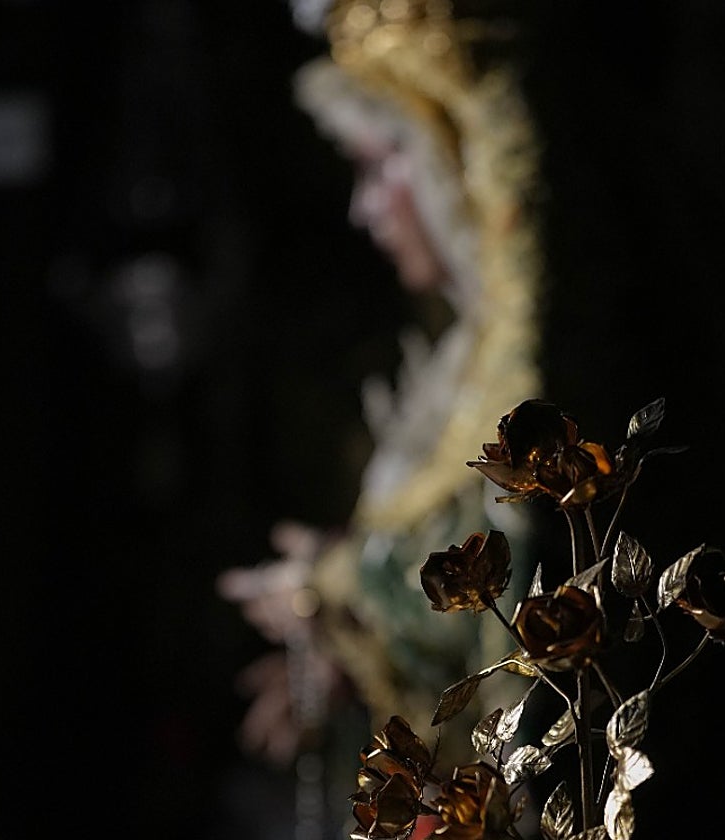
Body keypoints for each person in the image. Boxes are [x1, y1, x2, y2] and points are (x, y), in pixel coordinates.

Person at [218, 0, 543, 778]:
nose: (363, 211)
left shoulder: (527, 366)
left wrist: (338, 587)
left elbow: (516, 579)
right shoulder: (455, 365)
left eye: (373, 167)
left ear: (440, 158)